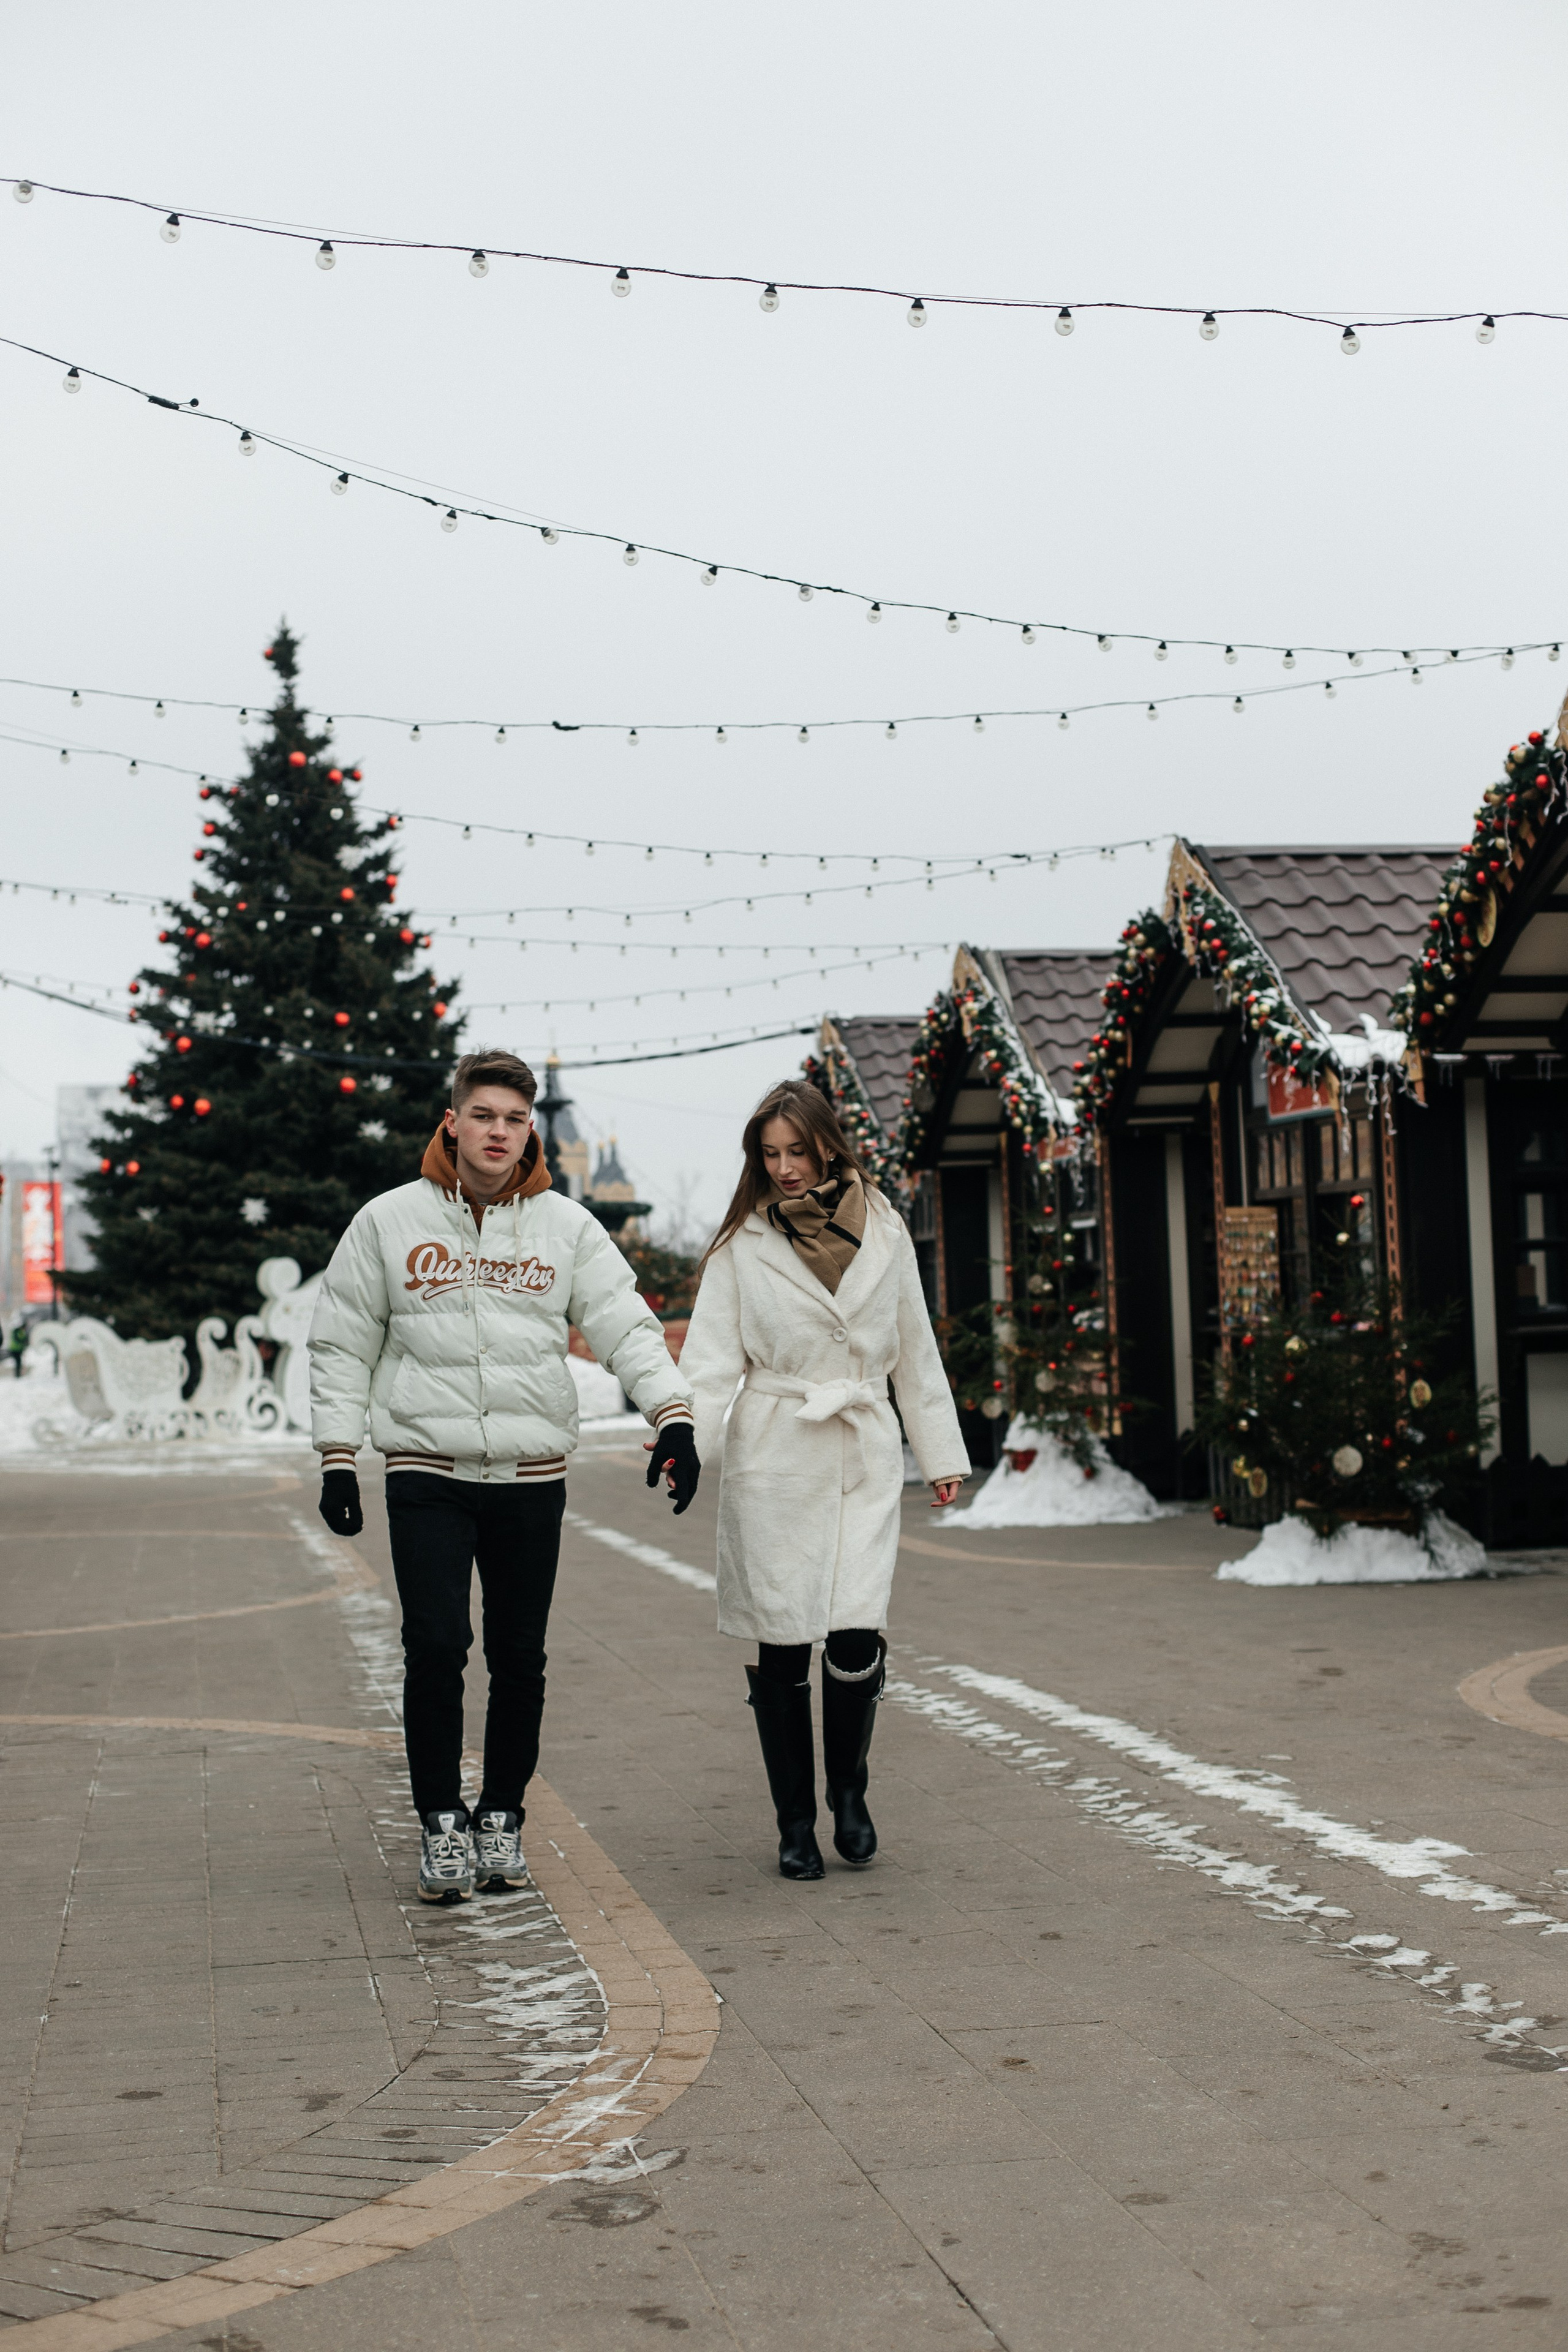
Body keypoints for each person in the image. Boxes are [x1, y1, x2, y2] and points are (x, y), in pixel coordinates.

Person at [308, 1049, 698, 1902]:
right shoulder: (388, 1221)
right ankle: (442, 1824)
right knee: (437, 1647)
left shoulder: (565, 1228)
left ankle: (502, 1818)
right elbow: (342, 1342)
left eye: (515, 1119)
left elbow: (627, 1326)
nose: (498, 1132)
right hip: (427, 1471)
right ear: (454, 1120)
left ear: (531, 1129)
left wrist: (674, 1416)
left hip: (530, 1476)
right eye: (483, 1115)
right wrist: (339, 1456)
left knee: (520, 1657)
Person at [680, 1079, 968, 1880]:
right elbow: (708, 1364)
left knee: (853, 1628)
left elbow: (914, 1344)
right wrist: (683, 1443)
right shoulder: (741, 1244)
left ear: (827, 1145)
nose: (785, 1169)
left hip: (863, 1448)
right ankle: (794, 1823)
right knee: (782, 1635)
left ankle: (850, 1794)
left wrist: (938, 1451)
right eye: (769, 1155)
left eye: (796, 1152)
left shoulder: (884, 1226)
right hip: (778, 1448)